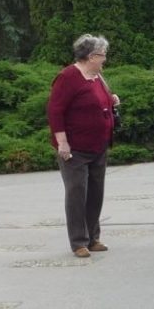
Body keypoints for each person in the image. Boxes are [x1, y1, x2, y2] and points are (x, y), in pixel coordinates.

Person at [47, 34, 120, 258]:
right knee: (77, 193)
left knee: (96, 193)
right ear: (89, 56)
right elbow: (55, 110)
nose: (104, 59)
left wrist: (112, 100)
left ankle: (93, 237)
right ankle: (78, 241)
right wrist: (62, 142)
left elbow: (99, 101)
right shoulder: (68, 76)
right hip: (75, 150)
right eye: (101, 55)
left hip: (98, 146)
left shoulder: (97, 77)